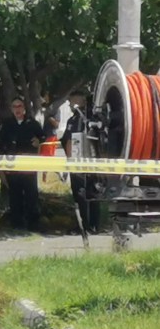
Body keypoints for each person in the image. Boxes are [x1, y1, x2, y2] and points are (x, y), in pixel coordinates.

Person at [0, 97, 45, 231]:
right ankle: (17, 224)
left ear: (24, 108)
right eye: (14, 106)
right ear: (11, 109)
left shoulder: (32, 124)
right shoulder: (7, 125)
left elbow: (43, 138)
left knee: (31, 196)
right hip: (12, 167)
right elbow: (0, 146)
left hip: (29, 167)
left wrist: (39, 142)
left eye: (20, 106)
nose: (17, 109)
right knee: (15, 196)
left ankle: (33, 224)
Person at [61, 91, 100, 232]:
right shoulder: (72, 120)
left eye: (72, 101)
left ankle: (93, 225)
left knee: (92, 192)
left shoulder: (92, 119)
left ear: (81, 101)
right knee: (79, 194)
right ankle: (82, 224)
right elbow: (67, 141)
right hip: (76, 163)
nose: (70, 105)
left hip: (92, 162)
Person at [39, 91, 61, 182]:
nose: (44, 98)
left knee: (49, 157)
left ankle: (60, 172)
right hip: (44, 135)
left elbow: (56, 124)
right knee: (43, 157)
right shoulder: (45, 107)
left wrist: (49, 117)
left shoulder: (55, 109)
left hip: (51, 136)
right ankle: (44, 178)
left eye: (46, 96)